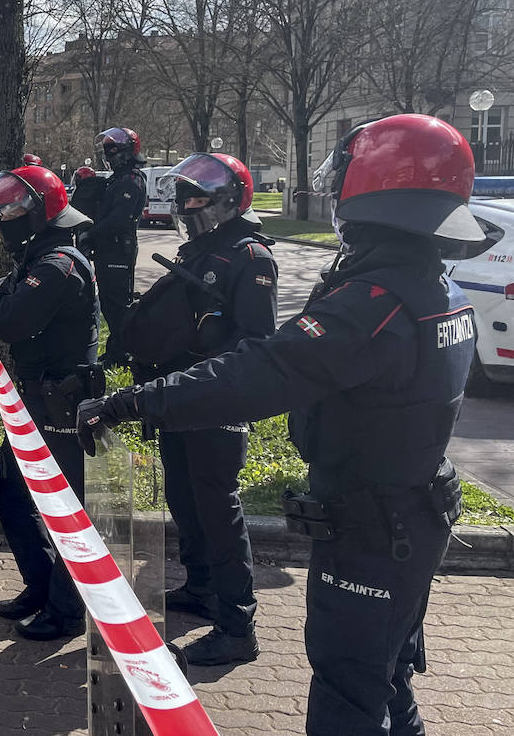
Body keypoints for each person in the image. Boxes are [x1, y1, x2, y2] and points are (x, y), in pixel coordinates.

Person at [77, 114, 482, 736]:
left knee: (350, 688)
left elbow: (258, 370)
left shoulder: (374, 305)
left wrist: (131, 402)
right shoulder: (432, 287)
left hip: (374, 526)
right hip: (408, 510)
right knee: (386, 678)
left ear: (375, 188)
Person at [123, 152, 277, 666]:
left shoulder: (250, 257)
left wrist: (211, 361)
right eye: (184, 195)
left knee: (218, 509)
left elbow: (256, 342)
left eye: (198, 195)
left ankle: (237, 624)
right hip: (179, 397)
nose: (188, 204)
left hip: (217, 402)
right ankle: (201, 586)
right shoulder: (200, 249)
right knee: (184, 498)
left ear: (230, 199)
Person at [0, 165, 100, 641]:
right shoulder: (35, 258)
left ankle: (67, 610)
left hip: (61, 402)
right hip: (31, 398)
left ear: (41, 210)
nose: (5, 217)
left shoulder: (60, 264)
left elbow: (13, 319)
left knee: (64, 509)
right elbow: (3, 300)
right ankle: (40, 586)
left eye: (14, 208)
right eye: (2, 209)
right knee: (11, 491)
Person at [86, 127, 147, 365]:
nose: (109, 155)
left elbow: (119, 219)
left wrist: (91, 234)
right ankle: (117, 349)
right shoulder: (117, 180)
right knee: (110, 305)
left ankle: (123, 353)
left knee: (118, 304)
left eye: (113, 149)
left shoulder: (132, 180)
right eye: (106, 150)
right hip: (107, 248)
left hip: (119, 249)